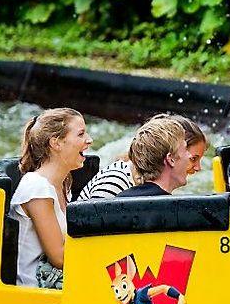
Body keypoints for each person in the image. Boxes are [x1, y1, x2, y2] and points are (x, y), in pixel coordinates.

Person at [10, 108, 93, 289]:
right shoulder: (37, 187)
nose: (89, 140)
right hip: (34, 293)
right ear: (56, 143)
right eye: (80, 134)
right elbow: (59, 258)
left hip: (55, 283)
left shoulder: (62, 184)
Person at [78, 114, 206, 200]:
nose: (198, 168)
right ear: (170, 157)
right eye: (192, 158)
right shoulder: (115, 180)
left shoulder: (156, 183)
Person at [116, 117, 207, 197]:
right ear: (170, 159)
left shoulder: (119, 198)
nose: (188, 156)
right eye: (185, 151)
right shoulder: (177, 210)